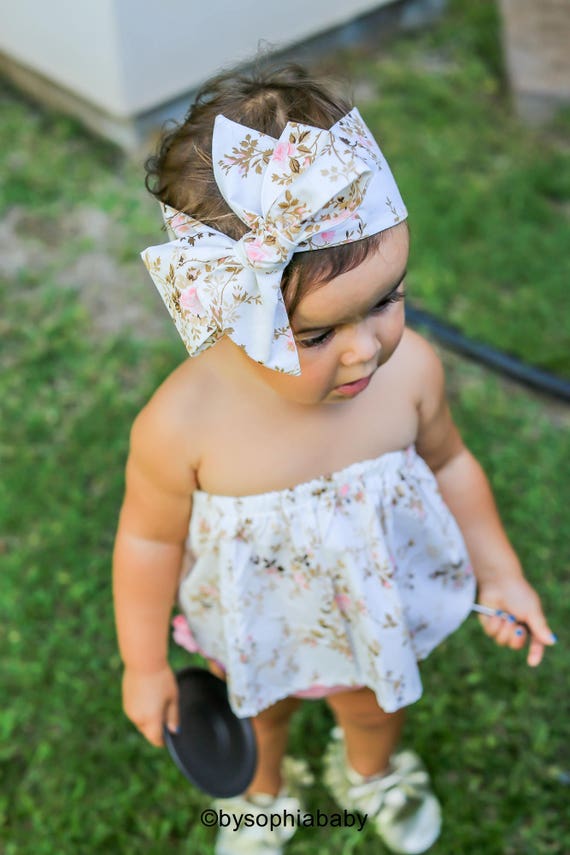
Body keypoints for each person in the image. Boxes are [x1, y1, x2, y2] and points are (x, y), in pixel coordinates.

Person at [112, 64, 556, 855]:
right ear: (223, 311)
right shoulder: (182, 425)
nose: (366, 351)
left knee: (373, 703)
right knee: (261, 712)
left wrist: (501, 569)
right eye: (315, 335)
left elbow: (450, 463)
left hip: (372, 606)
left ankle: (372, 770)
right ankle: (263, 794)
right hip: (255, 628)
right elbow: (147, 541)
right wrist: (145, 666)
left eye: (387, 299)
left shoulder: (410, 371)